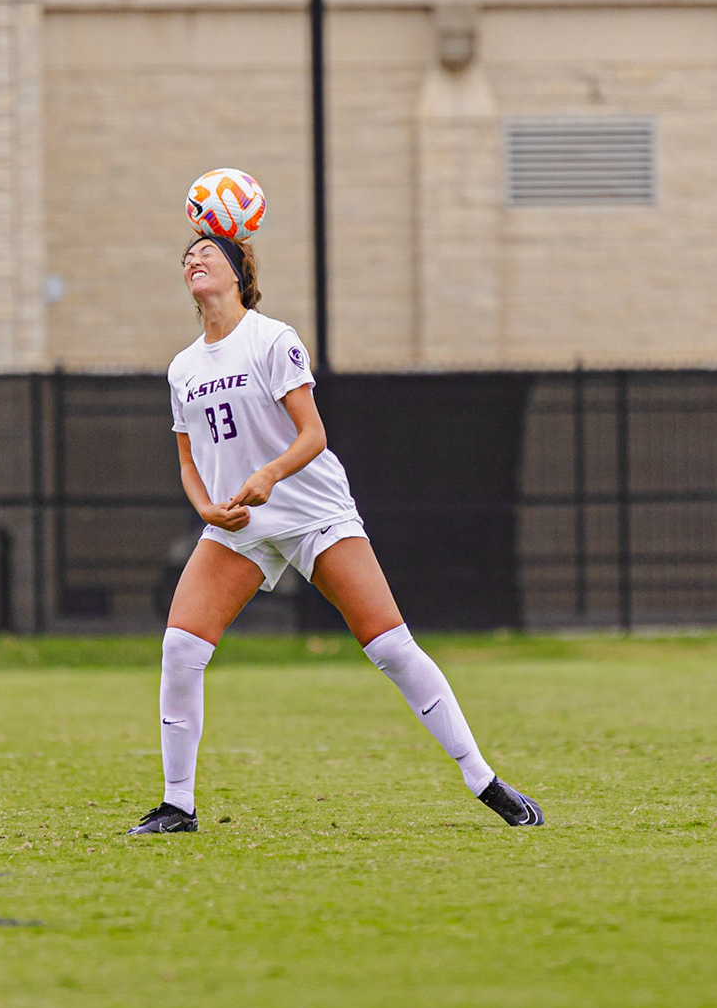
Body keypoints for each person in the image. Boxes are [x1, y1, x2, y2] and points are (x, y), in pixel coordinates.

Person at [129, 231, 542, 835]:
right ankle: (178, 806)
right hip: (240, 523)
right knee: (180, 649)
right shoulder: (183, 367)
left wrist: (269, 474)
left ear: (238, 270)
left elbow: (312, 436)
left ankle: (483, 779)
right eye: (186, 254)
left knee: (390, 647)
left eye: (207, 251)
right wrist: (206, 510)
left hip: (311, 509)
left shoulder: (272, 339)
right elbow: (189, 463)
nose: (192, 258)